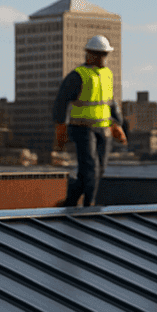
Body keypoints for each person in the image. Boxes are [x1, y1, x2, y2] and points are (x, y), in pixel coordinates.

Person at [52, 35, 126, 207]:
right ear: (88, 54)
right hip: (82, 129)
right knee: (90, 169)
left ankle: (70, 201)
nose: (102, 58)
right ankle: (89, 205)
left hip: (103, 129)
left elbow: (111, 102)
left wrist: (118, 124)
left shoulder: (107, 75)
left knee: (98, 170)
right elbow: (61, 102)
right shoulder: (78, 76)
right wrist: (61, 128)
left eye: (104, 54)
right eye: (98, 54)